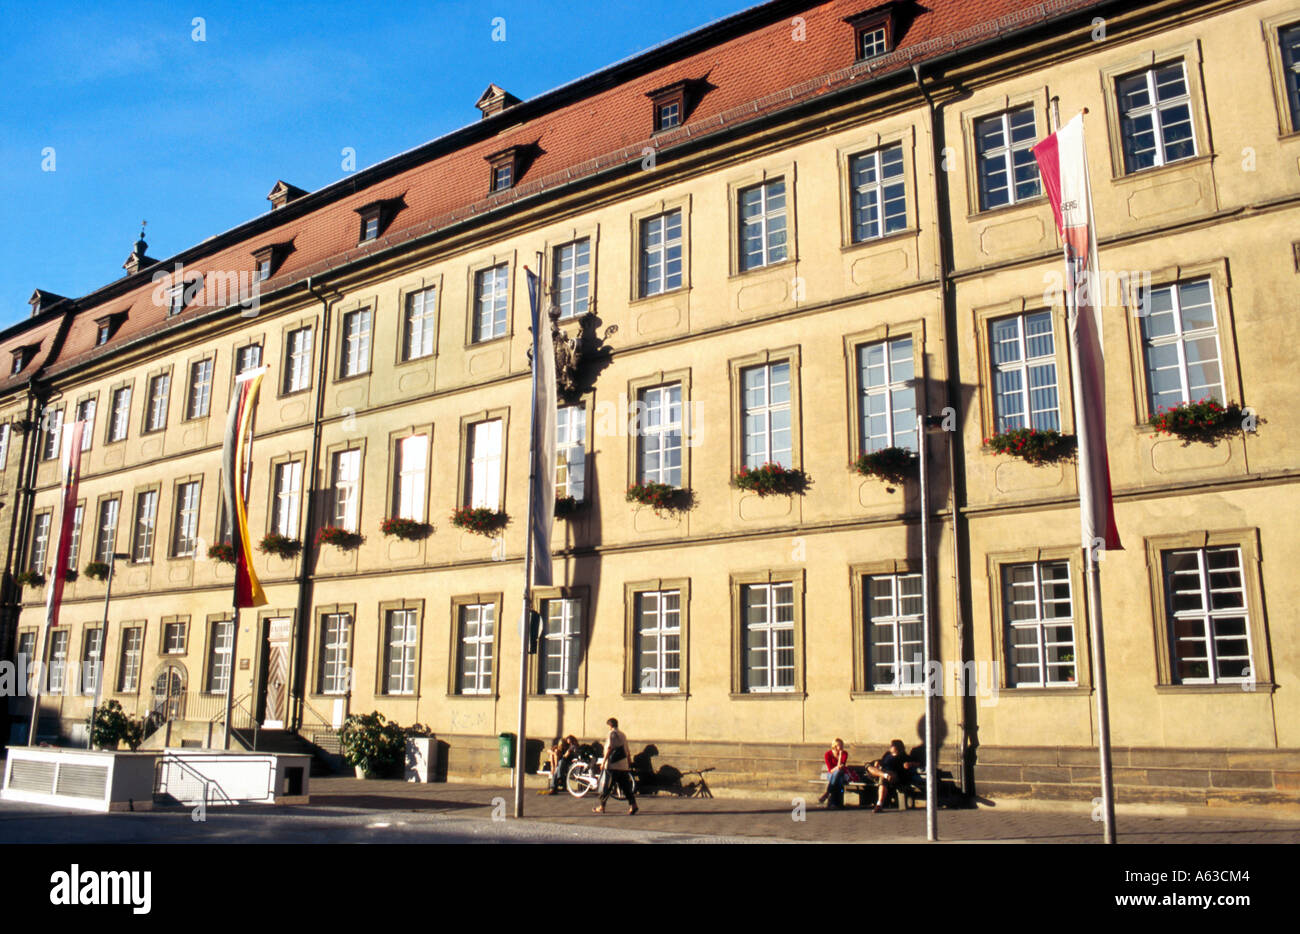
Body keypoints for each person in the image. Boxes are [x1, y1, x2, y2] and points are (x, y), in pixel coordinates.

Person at [593, 717, 637, 815]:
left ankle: (602, 806)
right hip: (623, 765)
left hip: (612, 765)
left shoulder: (611, 734)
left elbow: (609, 748)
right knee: (626, 787)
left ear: (610, 725)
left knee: (606, 786)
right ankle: (633, 805)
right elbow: (627, 749)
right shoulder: (623, 734)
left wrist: (603, 762)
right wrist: (629, 761)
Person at [867, 739, 916, 813]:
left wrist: (910, 764)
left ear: (897, 747)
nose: (890, 747)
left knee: (883, 779)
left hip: (893, 775)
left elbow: (917, 763)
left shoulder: (904, 756)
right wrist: (878, 762)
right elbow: (882, 761)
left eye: (892, 746)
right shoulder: (887, 754)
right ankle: (884, 775)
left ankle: (879, 804)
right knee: (868, 766)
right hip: (882, 772)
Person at [819, 738, 852, 808]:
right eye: (840, 745)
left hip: (842, 774)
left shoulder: (844, 753)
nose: (842, 747)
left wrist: (840, 756)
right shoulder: (827, 754)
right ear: (835, 746)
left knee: (839, 773)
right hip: (831, 774)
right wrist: (837, 768)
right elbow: (830, 770)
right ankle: (838, 802)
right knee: (839, 780)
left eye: (842, 745)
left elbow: (842, 765)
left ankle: (827, 794)